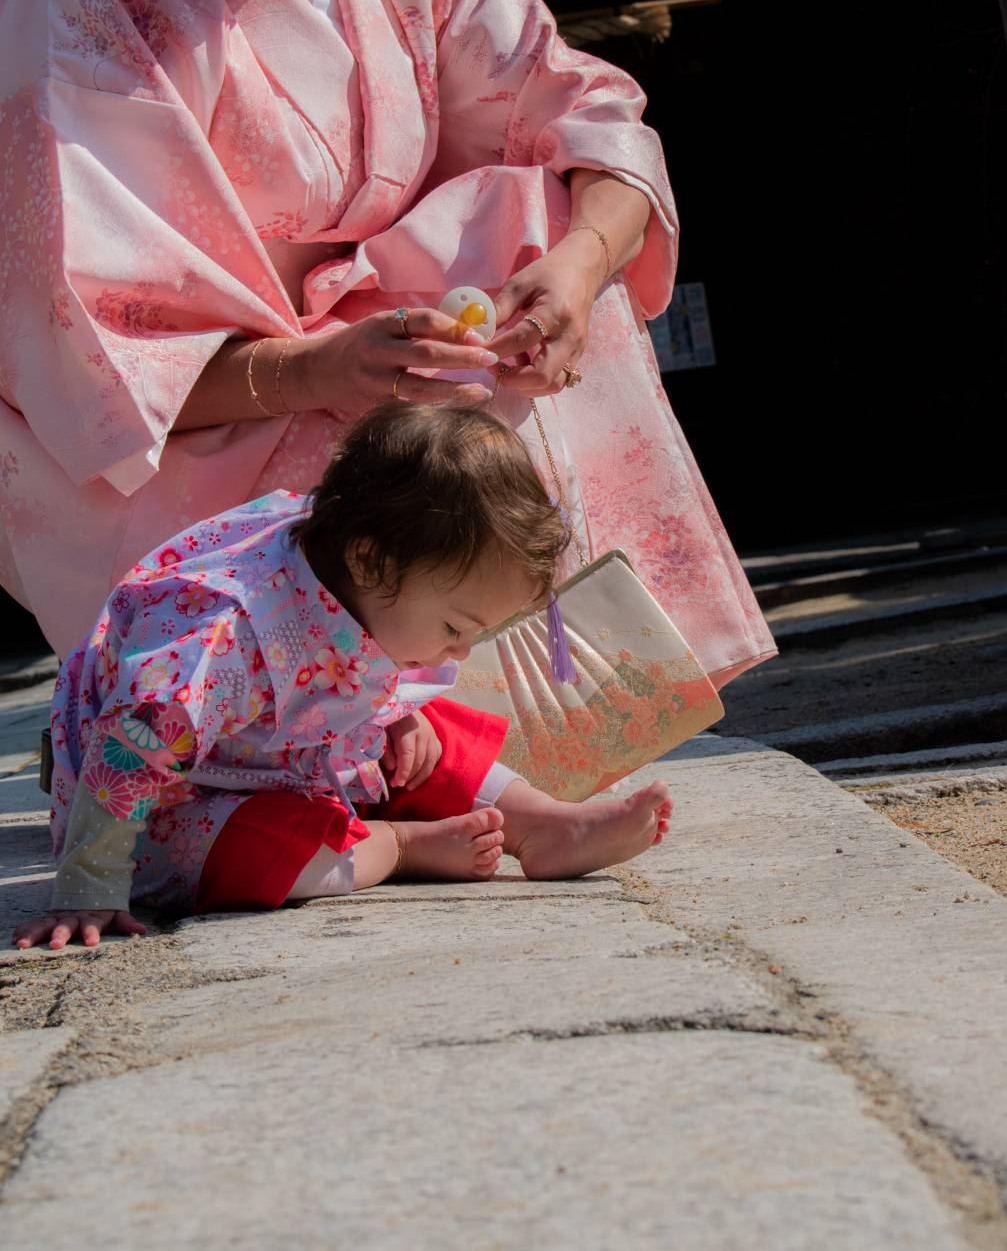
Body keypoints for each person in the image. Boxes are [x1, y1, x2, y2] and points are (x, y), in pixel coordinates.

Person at [0, 0, 776, 701]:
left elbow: (587, 112)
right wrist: (318, 369)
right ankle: (422, 738)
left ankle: (570, 717)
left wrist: (581, 262)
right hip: (200, 449)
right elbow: (85, 358)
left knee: (539, 234)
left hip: (383, 374)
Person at [12, 402, 675, 951]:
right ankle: (397, 848)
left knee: (431, 742)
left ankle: (544, 823)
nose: (461, 651)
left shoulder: (360, 573)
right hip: (174, 794)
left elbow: (354, 662)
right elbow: (132, 746)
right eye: (455, 628)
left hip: (286, 750)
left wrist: (396, 711)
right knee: (269, 855)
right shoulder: (223, 637)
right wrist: (87, 888)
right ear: (370, 562)